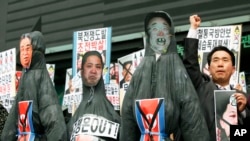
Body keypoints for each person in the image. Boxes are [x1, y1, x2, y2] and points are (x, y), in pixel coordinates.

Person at [120, 11, 210, 141]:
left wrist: (193, 30)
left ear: (171, 34)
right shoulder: (139, 72)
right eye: (154, 28)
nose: (160, 33)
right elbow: (128, 118)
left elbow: (193, 120)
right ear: (148, 35)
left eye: (165, 28)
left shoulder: (177, 71)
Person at [183, 14, 250, 141]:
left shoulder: (243, 98)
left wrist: (242, 112)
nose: (220, 64)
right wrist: (193, 29)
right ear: (208, 67)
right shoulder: (200, 88)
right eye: (215, 60)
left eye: (225, 60)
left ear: (233, 69)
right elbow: (190, 63)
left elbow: (243, 133)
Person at [1, 31, 67, 140]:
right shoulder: (25, 77)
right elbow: (13, 118)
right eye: (22, 49)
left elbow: (53, 120)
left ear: (37, 50)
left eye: (28, 48)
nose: (24, 53)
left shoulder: (40, 78)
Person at [67, 51, 121, 141]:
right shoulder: (73, 116)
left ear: (102, 71)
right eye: (89, 66)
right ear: (81, 72)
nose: (93, 71)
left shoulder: (112, 114)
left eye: (98, 67)